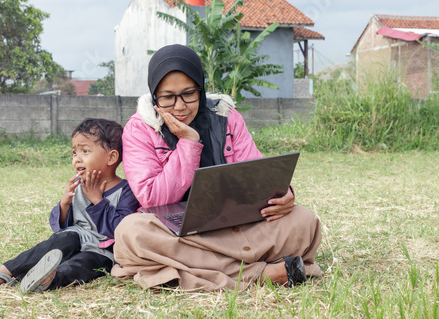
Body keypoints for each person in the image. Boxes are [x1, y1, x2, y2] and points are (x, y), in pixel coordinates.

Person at [111, 44, 323, 291]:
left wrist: (283, 194)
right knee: (131, 233)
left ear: (201, 89)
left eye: (189, 93)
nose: (179, 106)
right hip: (177, 233)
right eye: (167, 97)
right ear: (154, 95)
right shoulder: (140, 129)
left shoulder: (227, 116)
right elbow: (152, 198)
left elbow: (256, 175)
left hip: (237, 225)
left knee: (304, 219)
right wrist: (189, 143)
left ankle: (203, 270)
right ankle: (259, 273)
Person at [0, 118, 139, 292]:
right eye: (74, 152)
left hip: (102, 250)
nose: (77, 158)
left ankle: (48, 279)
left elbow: (122, 230)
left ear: (112, 157)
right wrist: (65, 203)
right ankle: (7, 270)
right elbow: (61, 227)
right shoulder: (79, 185)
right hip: (76, 237)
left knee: (82, 265)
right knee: (60, 241)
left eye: (85, 150)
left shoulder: (127, 191)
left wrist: (98, 200)